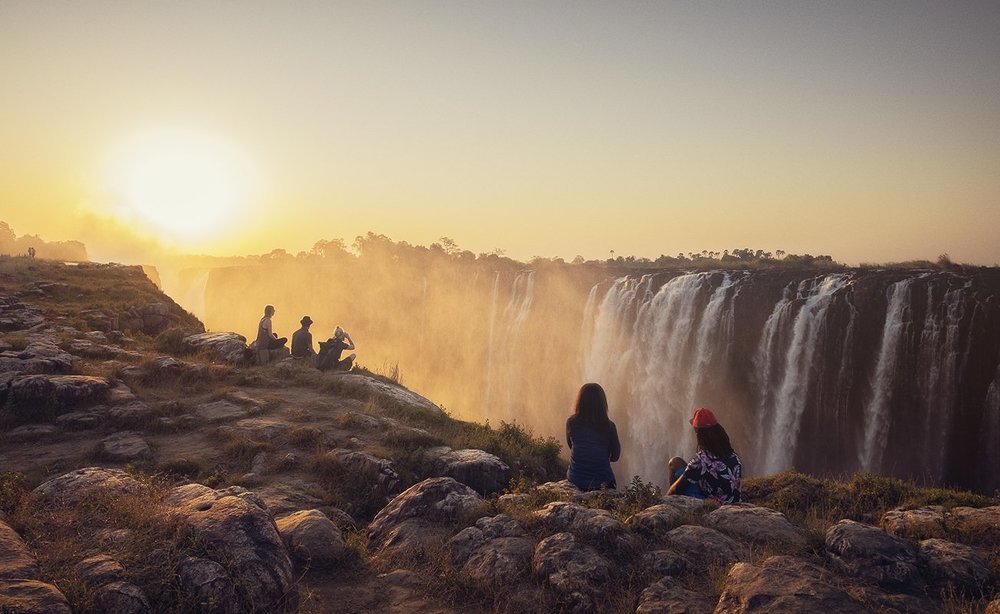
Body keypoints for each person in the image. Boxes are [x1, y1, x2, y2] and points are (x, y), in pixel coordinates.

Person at [667, 407, 742, 504]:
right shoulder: (733, 455)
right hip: (733, 501)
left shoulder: (702, 460)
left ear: (699, 434)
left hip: (712, 505)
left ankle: (672, 504)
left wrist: (662, 502)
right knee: (677, 462)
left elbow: (676, 489)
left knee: (674, 463)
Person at [566, 383, 621, 491]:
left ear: (580, 402)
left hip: (575, 479)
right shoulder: (609, 426)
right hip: (602, 483)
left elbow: (571, 445)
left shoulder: (571, 422)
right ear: (602, 403)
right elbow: (615, 457)